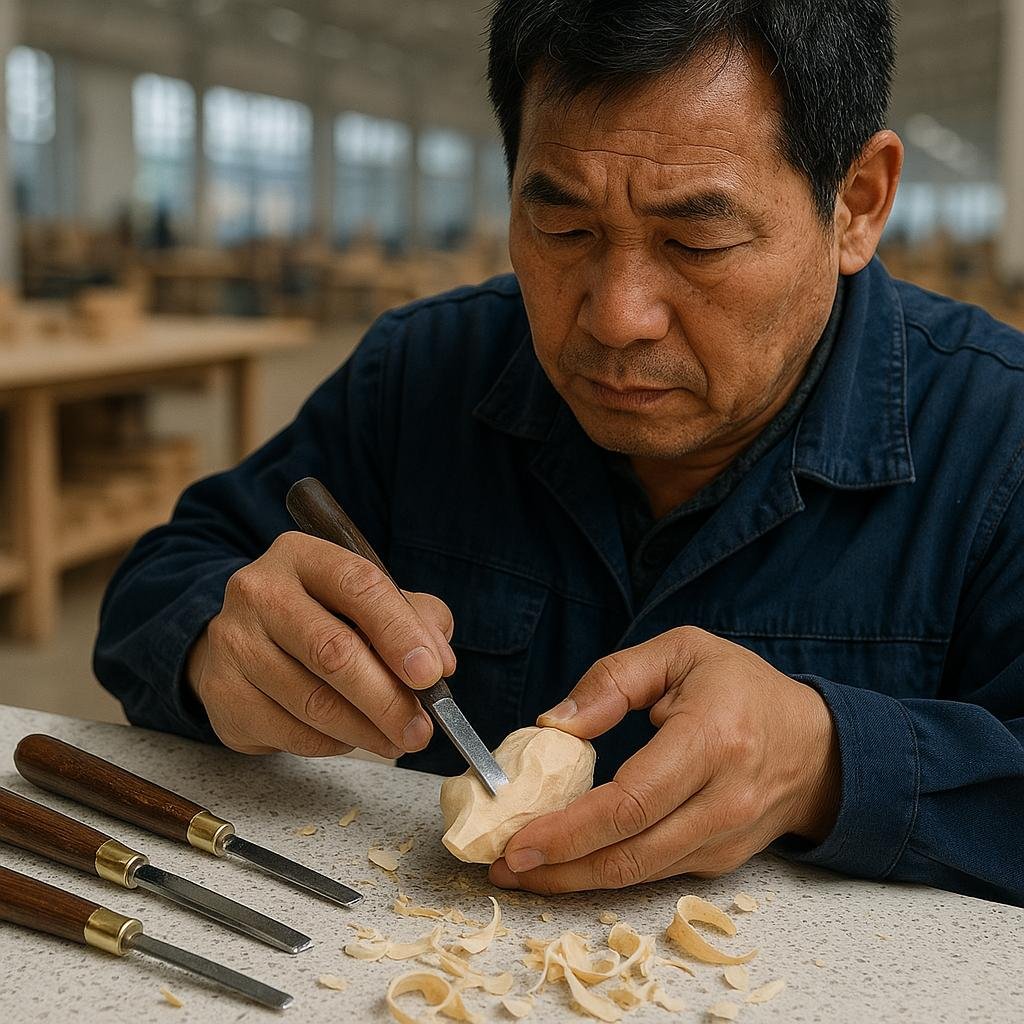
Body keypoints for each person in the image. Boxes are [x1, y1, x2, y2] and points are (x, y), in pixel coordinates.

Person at [95, 1, 1024, 906]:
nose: (617, 316)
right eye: (564, 228)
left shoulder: (998, 435)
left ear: (857, 204)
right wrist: (219, 648)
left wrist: (830, 762)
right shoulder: (422, 373)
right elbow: (159, 587)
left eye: (695, 240)